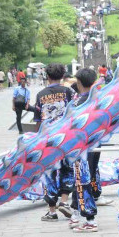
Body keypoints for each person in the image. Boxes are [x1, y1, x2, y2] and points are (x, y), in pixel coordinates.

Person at [34, 63, 76, 222]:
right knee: (67, 169)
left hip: (48, 139)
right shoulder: (69, 92)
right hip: (66, 138)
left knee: (49, 173)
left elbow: (38, 119)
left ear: (47, 76)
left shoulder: (40, 94)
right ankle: (64, 201)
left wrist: (38, 138)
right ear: (62, 76)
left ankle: (52, 211)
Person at [68, 68, 103, 232]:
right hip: (96, 145)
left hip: (81, 148)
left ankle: (90, 219)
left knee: (83, 180)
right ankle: (75, 213)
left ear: (79, 82)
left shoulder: (77, 103)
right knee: (82, 179)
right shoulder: (99, 99)